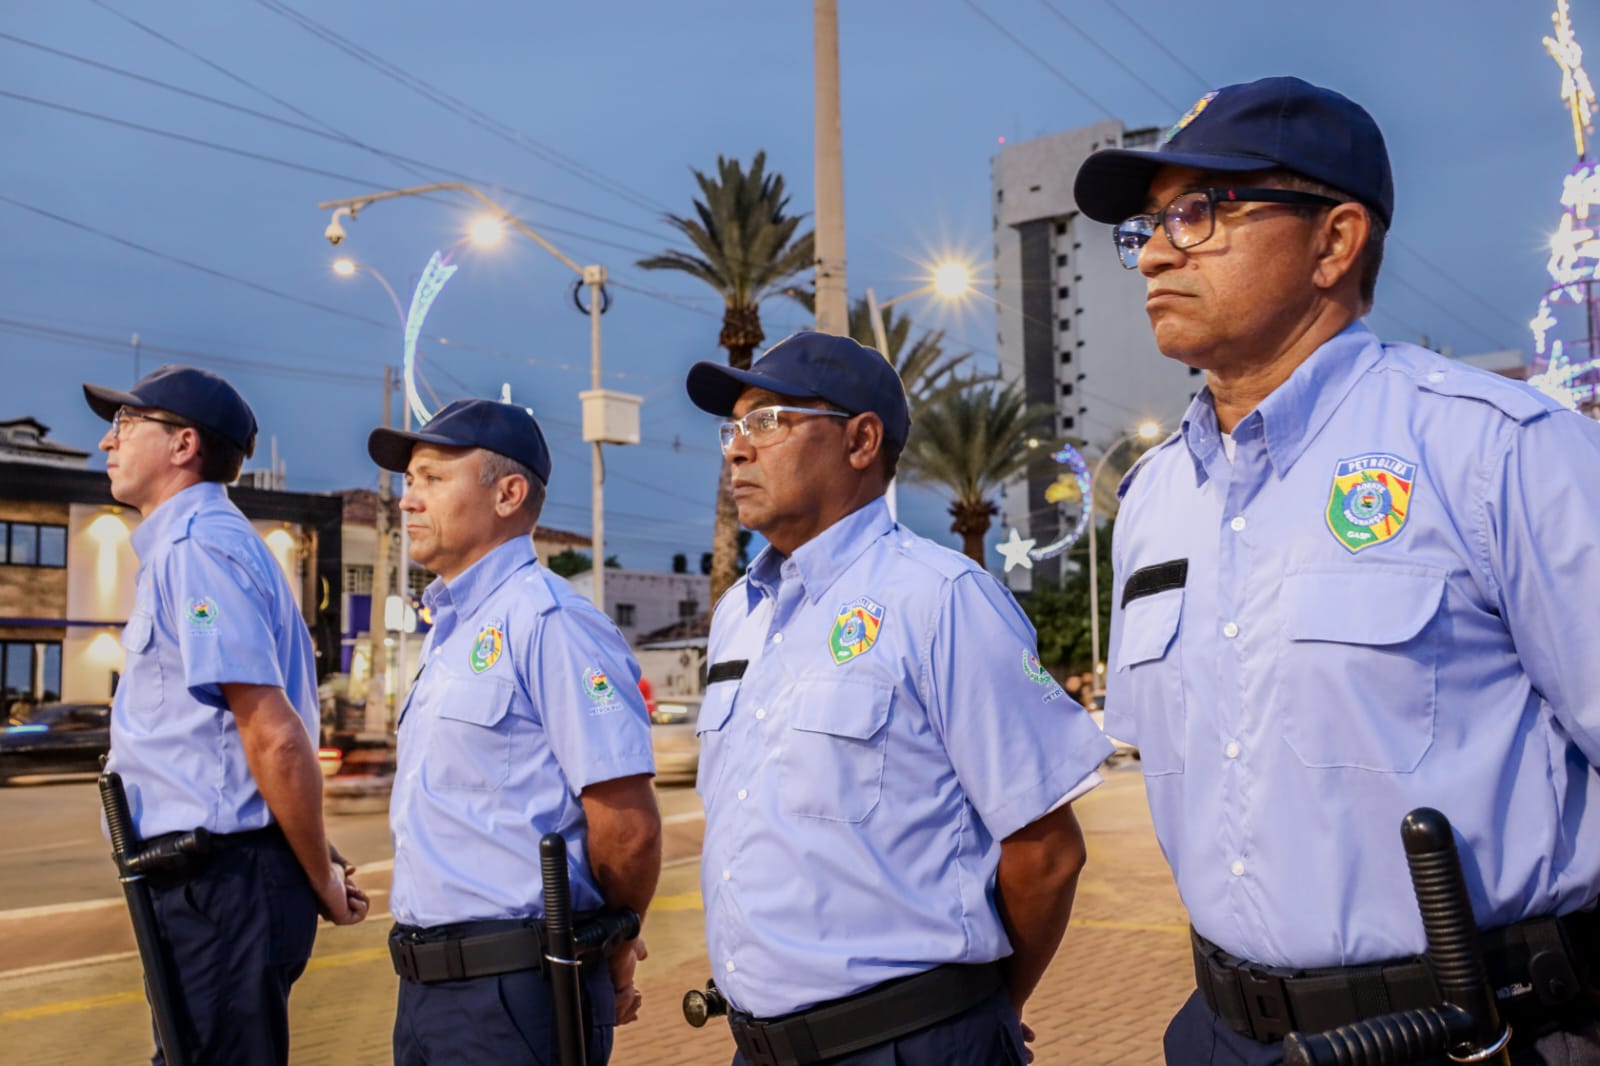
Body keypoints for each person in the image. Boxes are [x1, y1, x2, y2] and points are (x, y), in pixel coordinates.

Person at [1076, 76, 1600, 1064]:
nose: (1151, 252)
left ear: (1334, 240)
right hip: (1226, 1034)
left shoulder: (1498, 452)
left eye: (1200, 213)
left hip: (1481, 1034)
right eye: (1146, 226)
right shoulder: (1151, 500)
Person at [684, 331, 1115, 1065]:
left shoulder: (939, 599)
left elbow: (1045, 853)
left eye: (767, 421)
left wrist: (985, 1010)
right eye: (732, 428)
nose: (736, 449)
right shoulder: (739, 615)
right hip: (757, 1046)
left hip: (909, 1043)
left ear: (860, 440)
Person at [83, 365, 368, 1066]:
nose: (104, 443)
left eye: (124, 425)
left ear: (184, 445)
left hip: (221, 884)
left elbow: (273, 734)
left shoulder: (200, 549)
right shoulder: (198, 546)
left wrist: (319, 877)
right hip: (212, 881)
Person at [368, 398, 661, 1066]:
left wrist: (610, 939)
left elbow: (628, 825)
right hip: (426, 993)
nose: (408, 500)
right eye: (407, 481)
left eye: (433, 477)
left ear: (508, 493)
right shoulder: (449, 632)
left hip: (514, 993)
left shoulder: (550, 622)